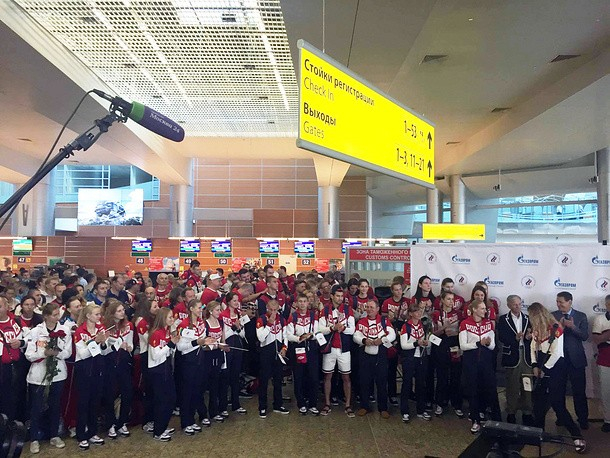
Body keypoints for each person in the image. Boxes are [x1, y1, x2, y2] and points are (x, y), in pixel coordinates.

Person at [529, 302, 586, 453]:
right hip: (541, 365)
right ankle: (538, 433)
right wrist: (534, 365)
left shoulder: (555, 328)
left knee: (557, 404)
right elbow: (532, 347)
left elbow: (557, 353)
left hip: (556, 368)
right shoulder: (536, 329)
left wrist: (544, 369)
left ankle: (577, 436)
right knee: (538, 403)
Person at [25, 303, 72, 454]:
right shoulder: (36, 332)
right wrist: (44, 353)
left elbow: (68, 352)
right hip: (39, 374)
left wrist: (57, 353)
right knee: (37, 407)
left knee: (55, 405)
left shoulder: (64, 330)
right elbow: (29, 354)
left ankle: (54, 435)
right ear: (46, 316)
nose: (57, 317)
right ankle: (34, 438)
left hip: (58, 374)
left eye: (58, 314)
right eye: (54, 315)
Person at [459, 299, 500, 433]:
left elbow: (492, 346)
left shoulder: (488, 324)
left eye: (485, 308)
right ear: (474, 309)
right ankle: (475, 420)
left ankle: (497, 420)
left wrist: (487, 343)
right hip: (471, 362)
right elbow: (463, 346)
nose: (485, 311)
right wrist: (478, 343)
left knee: (491, 389)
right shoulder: (465, 323)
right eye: (482, 308)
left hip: (486, 362)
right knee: (473, 390)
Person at [552, 291, 589, 430]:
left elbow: (584, 336)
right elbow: (549, 336)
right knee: (558, 392)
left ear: (569, 302)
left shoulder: (581, 316)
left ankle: (583, 419)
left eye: (561, 302)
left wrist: (572, 326)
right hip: (558, 359)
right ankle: (561, 417)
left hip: (576, 359)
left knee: (579, 392)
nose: (558, 304)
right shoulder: (553, 316)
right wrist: (560, 328)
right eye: (557, 301)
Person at [176, 299, 214, 435]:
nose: (200, 310)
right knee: (187, 392)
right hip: (188, 361)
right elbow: (180, 347)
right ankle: (186, 422)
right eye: (198, 308)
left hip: (200, 359)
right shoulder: (184, 325)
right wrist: (197, 342)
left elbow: (202, 339)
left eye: (201, 307)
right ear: (191, 309)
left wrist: (206, 341)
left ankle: (193, 419)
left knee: (197, 390)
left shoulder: (201, 322)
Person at [74, 303, 108, 450]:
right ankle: (81, 435)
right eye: (96, 314)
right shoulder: (79, 331)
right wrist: (96, 341)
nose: (99, 317)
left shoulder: (100, 329)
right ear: (88, 316)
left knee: (95, 401)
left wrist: (103, 342)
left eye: (100, 314)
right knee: (83, 403)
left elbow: (104, 351)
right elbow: (82, 354)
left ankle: (93, 432)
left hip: (98, 367)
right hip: (84, 369)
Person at [353, 299, 395, 418]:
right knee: (364, 381)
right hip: (365, 355)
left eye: (372, 307)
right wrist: (364, 340)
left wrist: (381, 340)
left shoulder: (384, 321)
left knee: (382, 381)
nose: (369, 309)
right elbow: (356, 336)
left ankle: (383, 408)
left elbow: (392, 334)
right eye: (367, 307)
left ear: (377, 309)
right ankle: (364, 406)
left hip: (381, 355)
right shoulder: (361, 321)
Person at [318, 285, 355, 417]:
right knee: (328, 376)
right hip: (330, 348)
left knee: (346, 376)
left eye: (341, 296)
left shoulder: (348, 310)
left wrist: (343, 328)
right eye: (337, 296)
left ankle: (348, 405)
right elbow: (320, 328)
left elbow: (352, 329)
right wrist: (332, 328)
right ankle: (327, 403)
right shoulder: (325, 310)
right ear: (332, 296)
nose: (340, 298)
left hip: (344, 348)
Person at [497, 295, 533, 425]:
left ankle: (527, 412)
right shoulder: (503, 319)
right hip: (512, 355)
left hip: (526, 356)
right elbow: (501, 337)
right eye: (515, 304)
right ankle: (511, 411)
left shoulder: (528, 318)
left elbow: (532, 335)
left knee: (527, 385)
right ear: (508, 305)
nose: (518, 306)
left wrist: (528, 337)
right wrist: (515, 339)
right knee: (512, 386)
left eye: (519, 304)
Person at [101, 299, 134, 439]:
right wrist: (115, 346)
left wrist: (129, 347)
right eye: (119, 311)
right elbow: (103, 350)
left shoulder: (128, 325)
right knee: (109, 394)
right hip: (109, 362)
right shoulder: (104, 327)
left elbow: (131, 343)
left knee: (127, 392)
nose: (122, 313)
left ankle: (123, 421)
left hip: (124, 362)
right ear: (112, 313)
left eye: (123, 310)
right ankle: (110, 424)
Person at [148, 307, 180, 441]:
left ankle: (163, 425)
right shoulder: (156, 334)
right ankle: (158, 431)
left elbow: (168, 351)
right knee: (162, 400)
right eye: (170, 317)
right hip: (157, 369)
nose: (172, 319)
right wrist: (171, 344)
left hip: (166, 366)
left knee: (171, 398)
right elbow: (155, 355)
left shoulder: (167, 332)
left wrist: (172, 344)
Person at [431, 291, 464, 418]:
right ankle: (440, 403)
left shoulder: (458, 314)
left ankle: (457, 404)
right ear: (442, 300)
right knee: (442, 376)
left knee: (456, 376)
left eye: (452, 299)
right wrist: (443, 328)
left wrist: (456, 334)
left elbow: (463, 330)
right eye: (448, 299)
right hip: (441, 346)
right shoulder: (436, 314)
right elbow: (432, 334)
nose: (451, 302)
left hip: (455, 345)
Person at [286, 293, 320, 415]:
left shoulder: (313, 315)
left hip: (311, 348)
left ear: (308, 303)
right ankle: (301, 403)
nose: (302, 304)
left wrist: (311, 336)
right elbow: (288, 335)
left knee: (313, 376)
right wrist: (299, 338)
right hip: (298, 348)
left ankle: (313, 404)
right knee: (299, 376)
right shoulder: (293, 316)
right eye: (300, 301)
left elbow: (318, 331)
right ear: (296, 303)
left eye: (304, 301)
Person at [256, 299, 290, 418]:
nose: (274, 312)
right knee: (264, 381)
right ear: (267, 309)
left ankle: (278, 404)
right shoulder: (261, 319)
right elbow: (261, 338)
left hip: (279, 351)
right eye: (271, 310)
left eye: (276, 310)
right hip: (266, 352)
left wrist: (285, 348)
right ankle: (262, 406)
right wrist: (269, 324)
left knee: (278, 380)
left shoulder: (282, 320)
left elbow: (285, 335)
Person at [400, 302, 431, 423]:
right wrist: (416, 343)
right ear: (411, 313)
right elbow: (403, 345)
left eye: (420, 311)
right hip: (409, 358)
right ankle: (405, 411)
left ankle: (421, 410)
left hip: (421, 357)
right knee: (407, 384)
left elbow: (425, 339)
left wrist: (425, 343)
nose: (419, 313)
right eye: (416, 311)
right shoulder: (406, 326)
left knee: (421, 384)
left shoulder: (423, 325)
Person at [133, 298, 160, 434]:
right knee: (149, 390)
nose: (157, 308)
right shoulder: (142, 322)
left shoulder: (153, 320)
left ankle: (155, 419)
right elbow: (149, 340)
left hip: (156, 354)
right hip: (147, 355)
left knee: (155, 390)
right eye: (155, 306)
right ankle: (147, 421)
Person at [220, 292, 248, 414]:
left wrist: (239, 327)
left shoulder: (238, 314)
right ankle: (223, 406)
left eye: (238, 300)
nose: (237, 303)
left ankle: (236, 403)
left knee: (236, 375)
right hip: (228, 347)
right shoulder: (222, 315)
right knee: (225, 376)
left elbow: (242, 334)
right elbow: (223, 334)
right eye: (234, 301)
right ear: (228, 302)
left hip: (238, 346)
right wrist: (234, 327)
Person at [382, 281, 409, 406]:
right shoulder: (387, 302)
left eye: (400, 289)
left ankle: (407, 392)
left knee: (406, 366)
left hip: (405, 333)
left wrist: (405, 316)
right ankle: (391, 393)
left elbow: (413, 316)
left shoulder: (407, 301)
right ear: (392, 291)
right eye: (396, 289)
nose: (399, 292)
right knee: (391, 366)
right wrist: (390, 318)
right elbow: (383, 318)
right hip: (392, 333)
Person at [59, 295, 82, 437]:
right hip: (71, 362)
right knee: (70, 395)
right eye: (76, 306)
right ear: (68, 309)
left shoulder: (84, 321)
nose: (79, 308)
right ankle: (69, 423)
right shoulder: (65, 325)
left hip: (83, 361)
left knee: (80, 394)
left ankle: (78, 421)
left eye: (80, 306)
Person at [0, 294, 25, 421]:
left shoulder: (16, 321)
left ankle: (11, 423)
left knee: (12, 398)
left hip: (14, 366)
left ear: (7, 307)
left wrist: (21, 343)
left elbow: (28, 339)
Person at [202, 301, 228, 422]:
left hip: (219, 355)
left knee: (216, 383)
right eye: (217, 310)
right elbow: (204, 345)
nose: (219, 312)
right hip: (208, 356)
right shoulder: (205, 324)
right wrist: (217, 346)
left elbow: (223, 340)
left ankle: (215, 411)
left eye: (220, 310)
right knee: (208, 384)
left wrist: (224, 346)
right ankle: (204, 413)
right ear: (211, 311)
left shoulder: (221, 323)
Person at [591, 294, 610, 432]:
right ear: (606, 305)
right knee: (606, 391)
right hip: (605, 358)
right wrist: (607, 334)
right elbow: (596, 339)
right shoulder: (600, 319)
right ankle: (608, 420)